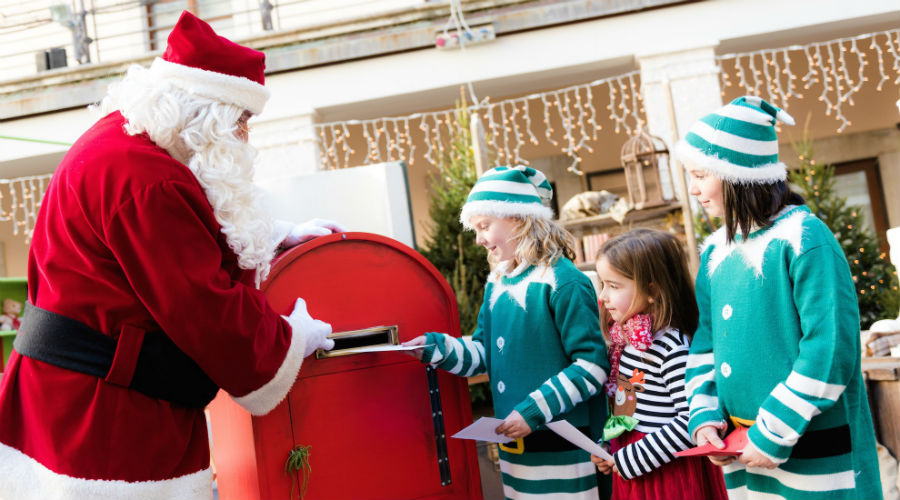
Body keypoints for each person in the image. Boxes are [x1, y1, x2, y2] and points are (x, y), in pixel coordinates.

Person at [0, 11, 341, 499]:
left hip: (73, 400)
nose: (244, 137)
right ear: (205, 116)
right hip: (105, 417)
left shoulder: (127, 146)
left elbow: (179, 236)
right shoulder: (147, 178)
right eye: (241, 122)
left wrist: (270, 235)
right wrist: (289, 339)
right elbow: (203, 307)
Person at [677, 95, 882, 499]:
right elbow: (706, 345)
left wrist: (773, 432)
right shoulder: (717, 251)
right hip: (743, 455)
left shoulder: (805, 238)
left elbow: (831, 349)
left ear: (735, 173)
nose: (695, 188)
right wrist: (704, 417)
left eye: (702, 175)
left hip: (814, 452)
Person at [404, 165, 611, 500]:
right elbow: (484, 353)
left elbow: (592, 366)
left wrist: (532, 411)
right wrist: (434, 348)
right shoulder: (497, 282)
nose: (479, 238)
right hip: (517, 450)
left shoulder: (564, 280)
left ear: (518, 218)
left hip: (564, 450)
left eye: (484, 226)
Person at [589, 228, 727, 500]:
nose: (603, 296)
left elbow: (691, 419)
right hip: (633, 463)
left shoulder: (671, 347)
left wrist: (629, 458)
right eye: (603, 284)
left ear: (651, 290)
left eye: (613, 286)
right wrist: (610, 447)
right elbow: (629, 407)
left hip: (666, 476)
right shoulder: (626, 340)